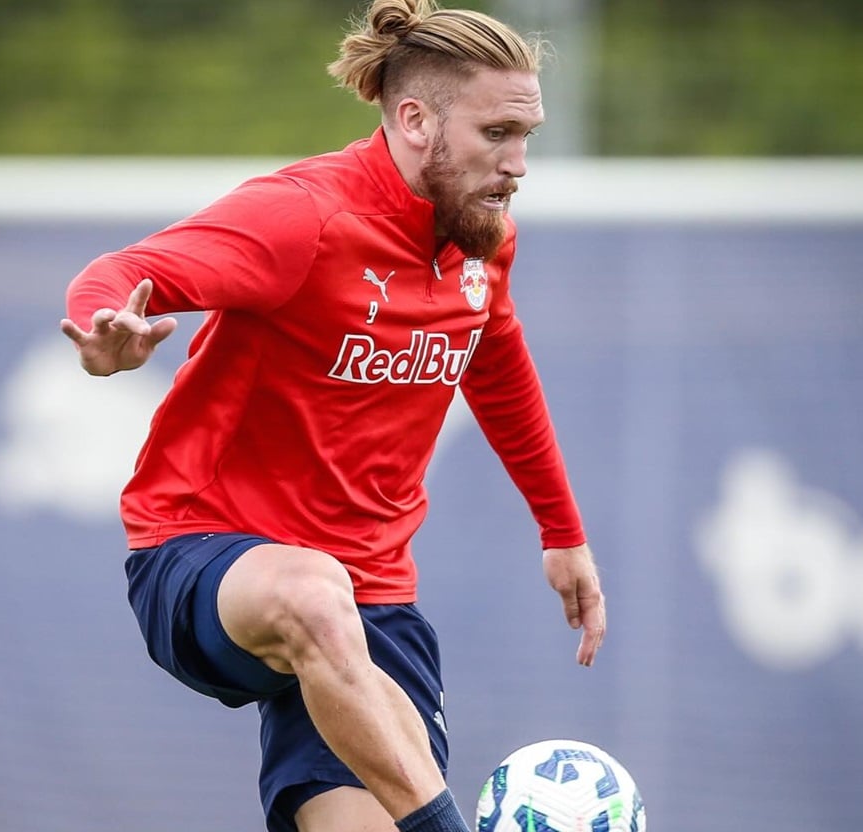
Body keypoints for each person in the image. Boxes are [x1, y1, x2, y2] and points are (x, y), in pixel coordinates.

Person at [59, 1, 606, 830]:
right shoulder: (305, 217)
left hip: (373, 601)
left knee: (337, 634)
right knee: (313, 593)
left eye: (526, 134)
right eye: (497, 133)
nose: (519, 161)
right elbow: (124, 271)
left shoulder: (482, 238)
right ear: (416, 119)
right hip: (203, 553)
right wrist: (108, 335)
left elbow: (498, 370)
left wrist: (562, 532)